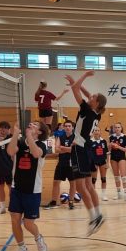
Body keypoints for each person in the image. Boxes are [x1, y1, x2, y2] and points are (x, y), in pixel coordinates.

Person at [64, 70, 108, 235]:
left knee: (81, 187)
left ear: (95, 103)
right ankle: (98, 214)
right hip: (87, 148)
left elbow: (76, 89)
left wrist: (83, 77)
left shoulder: (86, 110)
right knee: (88, 186)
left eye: (92, 98)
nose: (89, 97)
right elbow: (86, 93)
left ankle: (93, 218)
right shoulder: (96, 112)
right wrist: (77, 82)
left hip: (80, 149)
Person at [7, 122, 50, 251]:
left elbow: (36, 153)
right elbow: (10, 151)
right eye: (31, 123)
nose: (31, 124)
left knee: (28, 223)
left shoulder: (42, 145)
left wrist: (29, 136)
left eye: (35, 125)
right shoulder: (20, 142)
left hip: (33, 190)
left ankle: (38, 238)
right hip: (16, 187)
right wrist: (15, 133)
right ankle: (22, 249)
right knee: (14, 219)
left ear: (40, 132)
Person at [44, 120, 77, 210]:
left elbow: (74, 150)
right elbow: (57, 149)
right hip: (61, 163)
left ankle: (71, 201)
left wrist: (63, 148)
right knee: (56, 182)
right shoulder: (60, 137)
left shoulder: (75, 137)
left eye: (69, 126)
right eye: (66, 126)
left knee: (73, 183)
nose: (67, 127)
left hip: (72, 163)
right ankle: (54, 201)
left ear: (72, 127)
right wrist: (67, 148)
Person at [109, 122, 126, 202]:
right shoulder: (111, 137)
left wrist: (118, 147)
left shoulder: (124, 137)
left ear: (121, 128)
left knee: (123, 176)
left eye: (118, 127)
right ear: (114, 129)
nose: (117, 129)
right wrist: (110, 145)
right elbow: (108, 150)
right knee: (116, 177)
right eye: (116, 127)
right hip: (113, 158)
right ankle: (118, 193)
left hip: (121, 157)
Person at [90, 127, 109, 202]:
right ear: (93, 132)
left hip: (102, 162)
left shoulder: (103, 141)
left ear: (100, 132)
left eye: (98, 130)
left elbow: (107, 153)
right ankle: (93, 195)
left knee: (103, 179)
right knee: (93, 180)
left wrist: (107, 162)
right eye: (95, 130)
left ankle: (104, 195)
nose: (97, 132)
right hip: (94, 162)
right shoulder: (90, 141)